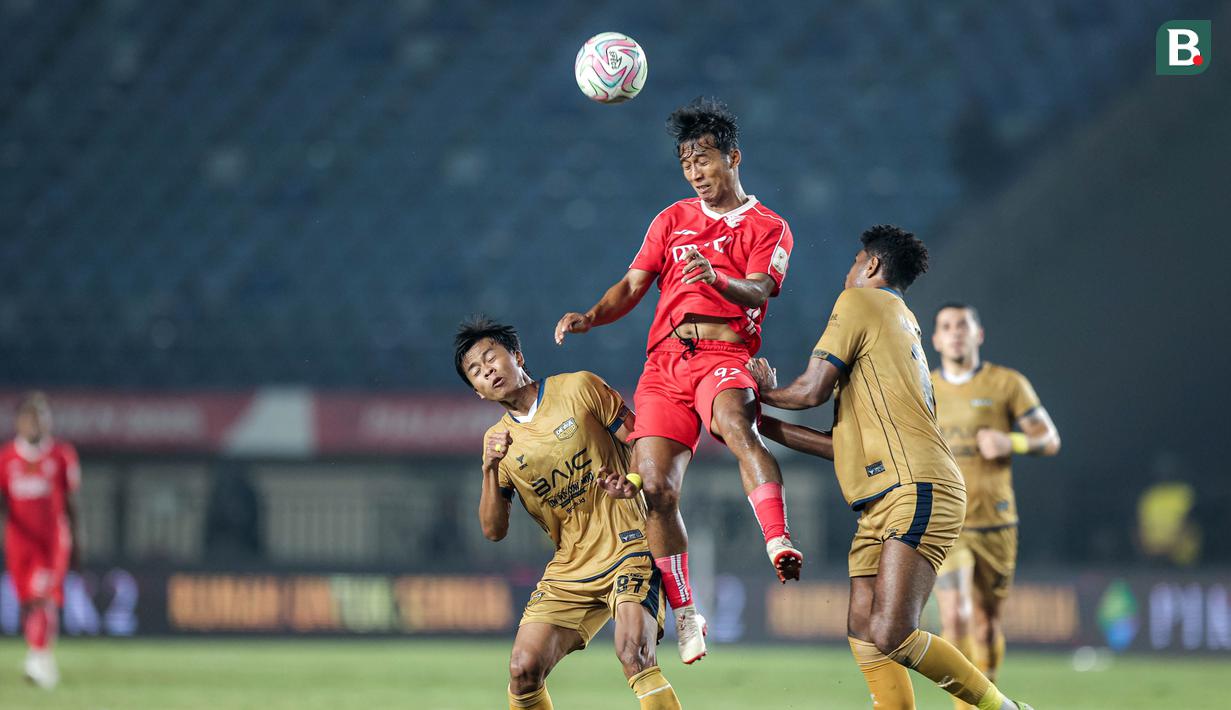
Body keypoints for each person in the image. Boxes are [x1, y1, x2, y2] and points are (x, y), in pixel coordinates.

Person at [554, 97, 803, 663]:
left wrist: (715, 276)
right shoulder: (671, 219)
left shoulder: (770, 227)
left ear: (733, 158)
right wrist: (592, 315)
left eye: (705, 159)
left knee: (740, 426)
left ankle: (777, 538)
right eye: (687, 162)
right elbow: (632, 284)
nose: (695, 172)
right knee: (656, 490)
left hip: (723, 353)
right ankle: (688, 612)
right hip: (665, 364)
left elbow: (761, 290)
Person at [746, 226, 1031, 710]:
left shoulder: (861, 303)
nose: (848, 273)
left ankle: (1002, 708)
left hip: (915, 487)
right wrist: (755, 423)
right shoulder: (898, 325)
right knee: (864, 628)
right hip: (889, 491)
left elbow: (810, 392)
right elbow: (843, 447)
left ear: (873, 267)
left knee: (892, 630)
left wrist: (758, 391)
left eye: (855, 262)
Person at [456, 317, 681, 710]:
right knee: (522, 669)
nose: (487, 370)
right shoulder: (497, 444)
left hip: (631, 543)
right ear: (476, 391)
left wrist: (632, 479)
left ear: (518, 356)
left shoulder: (579, 387)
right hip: (571, 565)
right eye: (475, 371)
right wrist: (489, 468)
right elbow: (493, 531)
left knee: (634, 654)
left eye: (491, 358)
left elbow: (645, 443)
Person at [930, 303, 1061, 707]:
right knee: (956, 617)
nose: (955, 334)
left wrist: (1012, 442)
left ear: (978, 335)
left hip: (997, 522)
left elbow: (1050, 439)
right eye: (947, 327)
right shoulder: (924, 387)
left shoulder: (1007, 384)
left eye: (963, 326)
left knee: (987, 627)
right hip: (947, 521)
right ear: (934, 339)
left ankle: (987, 698)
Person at [0, 392, 81, 690]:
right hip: (19, 543)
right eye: (29, 418)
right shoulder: (6, 458)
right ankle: (43, 660)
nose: (35, 424)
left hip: (52, 542)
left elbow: (71, 502)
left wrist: (77, 540)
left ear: (48, 422)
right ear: (19, 422)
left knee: (42, 598)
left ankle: (38, 658)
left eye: (40, 418)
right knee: (28, 603)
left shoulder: (61, 455)